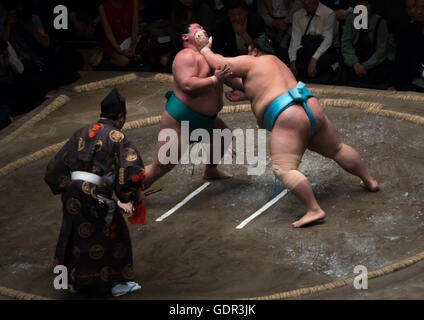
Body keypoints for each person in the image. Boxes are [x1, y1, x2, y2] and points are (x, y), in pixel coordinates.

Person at [197, 33, 379, 228]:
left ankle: (314, 210)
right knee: (337, 148)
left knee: (283, 168)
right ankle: (369, 181)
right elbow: (255, 87)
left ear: (254, 51)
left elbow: (221, 65)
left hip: (289, 117)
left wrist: (204, 49)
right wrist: (244, 95)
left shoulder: (253, 62)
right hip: (308, 105)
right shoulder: (277, 65)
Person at [44, 88, 145, 297]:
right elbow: (131, 171)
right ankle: (119, 283)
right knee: (116, 233)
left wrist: (64, 186)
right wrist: (128, 195)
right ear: (120, 117)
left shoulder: (80, 132)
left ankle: (71, 281)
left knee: (74, 233)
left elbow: (55, 167)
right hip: (96, 193)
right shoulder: (117, 136)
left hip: (72, 191)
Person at [143, 23, 233, 189]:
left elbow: (230, 76)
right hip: (180, 120)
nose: (203, 29)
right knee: (162, 166)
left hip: (207, 120)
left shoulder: (210, 56)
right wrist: (215, 79)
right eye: (197, 27)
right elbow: (187, 84)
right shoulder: (186, 55)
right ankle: (128, 192)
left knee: (223, 134)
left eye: (204, 27)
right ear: (185, 37)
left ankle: (211, 170)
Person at [341, 0, 395, 85]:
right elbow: (346, 44)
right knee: (348, 73)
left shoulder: (380, 21)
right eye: (359, 4)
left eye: (365, 4)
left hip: (374, 59)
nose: (362, 7)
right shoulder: (351, 19)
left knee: (376, 75)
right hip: (357, 57)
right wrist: (355, 63)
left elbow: (381, 50)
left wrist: (365, 66)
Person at [288, 0, 338, 78]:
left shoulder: (329, 13)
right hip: (306, 49)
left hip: (324, 50)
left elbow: (328, 40)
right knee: (295, 68)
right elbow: (295, 40)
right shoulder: (297, 15)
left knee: (320, 67)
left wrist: (314, 59)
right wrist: (292, 60)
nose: (306, 3)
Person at [388, 0, 424, 92]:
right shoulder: (409, 31)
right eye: (416, 7)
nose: (419, 11)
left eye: (423, 7)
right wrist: (394, 85)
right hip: (414, 84)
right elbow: (401, 61)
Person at [99, 0, 141, 67]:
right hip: (115, 41)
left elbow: (135, 25)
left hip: (131, 38)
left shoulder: (133, 2)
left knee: (141, 57)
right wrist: (119, 49)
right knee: (124, 61)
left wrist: (132, 46)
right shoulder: (103, 7)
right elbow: (108, 32)